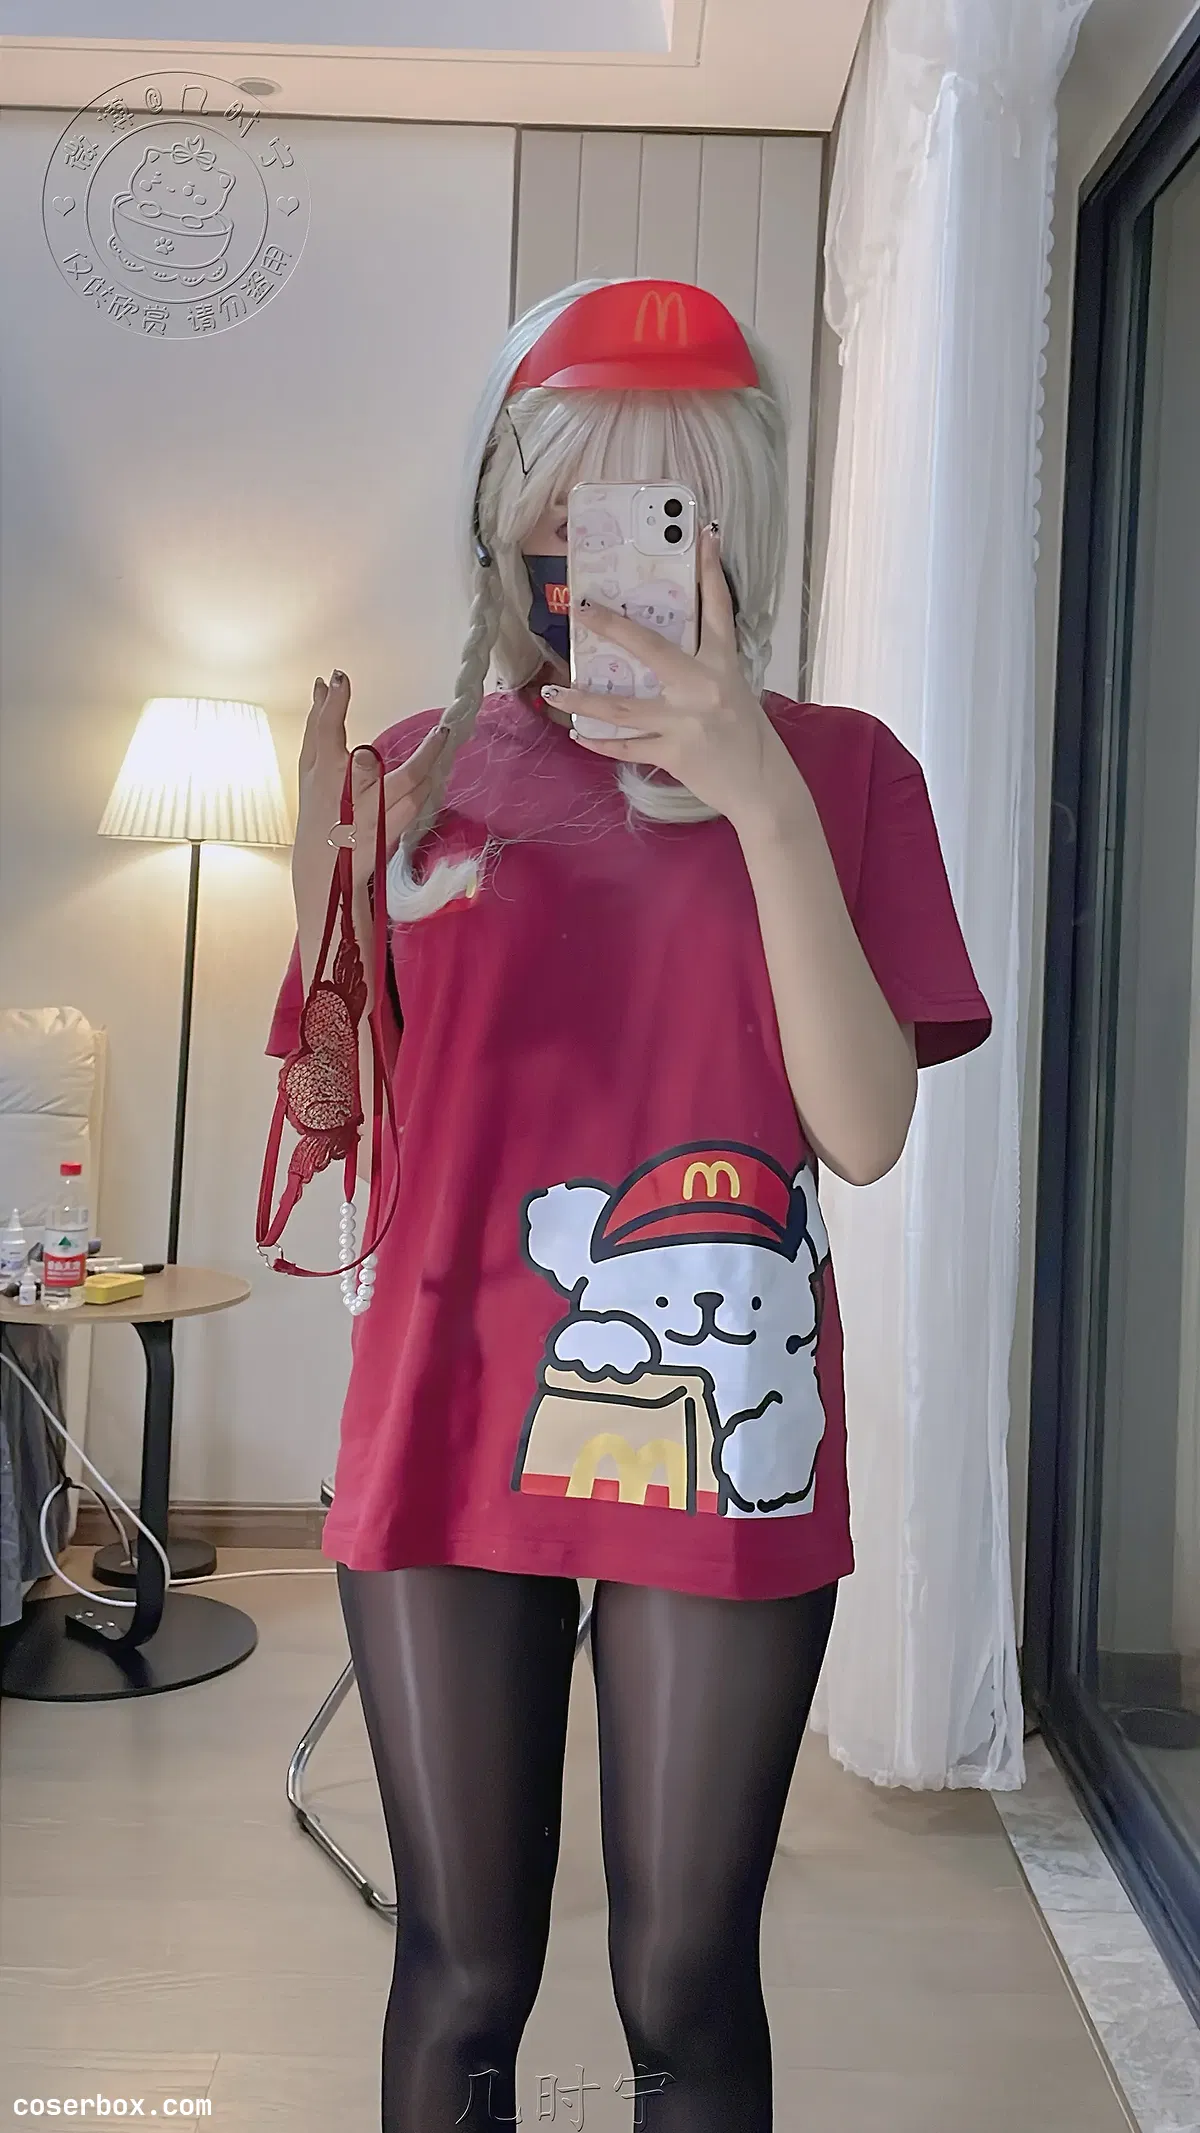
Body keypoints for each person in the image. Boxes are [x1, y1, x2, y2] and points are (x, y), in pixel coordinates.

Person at [266, 277, 991, 2133]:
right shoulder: (414, 776)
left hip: (726, 1418)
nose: (604, 555)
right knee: (461, 1970)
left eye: (673, 509)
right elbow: (347, 1131)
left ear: (737, 529)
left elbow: (864, 1131)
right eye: (570, 501)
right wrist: (324, 897)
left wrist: (756, 797)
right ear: (499, 512)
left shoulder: (846, 773)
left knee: (683, 1976)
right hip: (448, 1399)